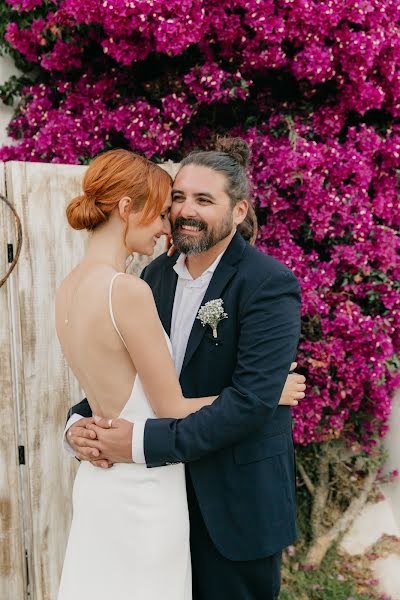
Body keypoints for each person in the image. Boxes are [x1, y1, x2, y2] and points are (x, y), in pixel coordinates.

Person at [57, 146, 304, 600]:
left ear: (239, 210)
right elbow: (129, 377)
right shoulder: (151, 276)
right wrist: (78, 426)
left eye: (204, 200)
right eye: (179, 196)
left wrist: (136, 443)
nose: (185, 211)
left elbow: (248, 405)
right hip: (155, 503)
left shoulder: (269, 283)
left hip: (232, 507)